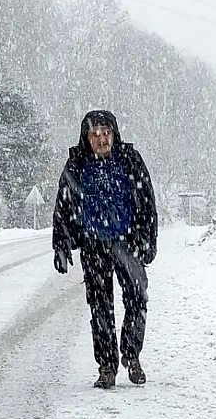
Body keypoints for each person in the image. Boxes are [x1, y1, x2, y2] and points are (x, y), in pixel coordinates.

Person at [52, 110, 158, 389]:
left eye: (106, 133)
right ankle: (107, 366)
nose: (101, 139)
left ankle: (132, 356)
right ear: (87, 138)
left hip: (128, 241)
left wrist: (148, 241)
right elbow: (63, 205)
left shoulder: (130, 161)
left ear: (114, 134)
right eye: (95, 134)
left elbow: (147, 201)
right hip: (93, 243)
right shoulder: (77, 164)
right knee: (100, 307)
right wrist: (61, 244)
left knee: (137, 297)